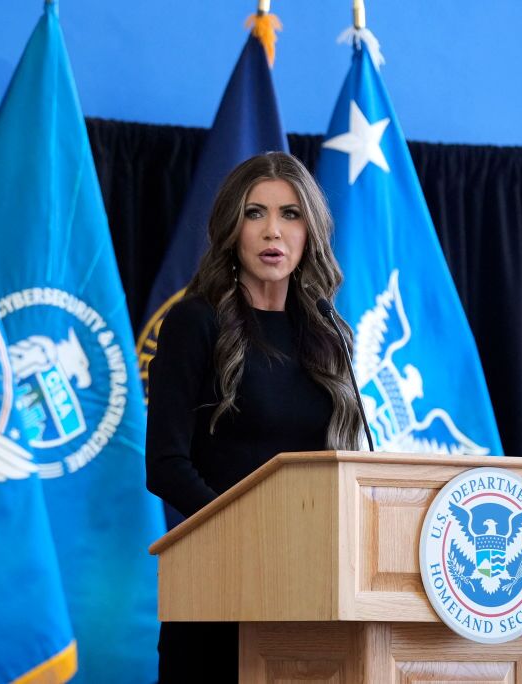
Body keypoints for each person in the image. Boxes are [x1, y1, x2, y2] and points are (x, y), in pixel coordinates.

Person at [145, 151, 363, 681]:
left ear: (310, 231)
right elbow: (166, 464)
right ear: (231, 227)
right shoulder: (194, 322)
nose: (273, 231)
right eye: (255, 213)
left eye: (290, 214)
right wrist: (250, 537)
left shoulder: (326, 332)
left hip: (308, 585)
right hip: (217, 580)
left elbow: (341, 460)